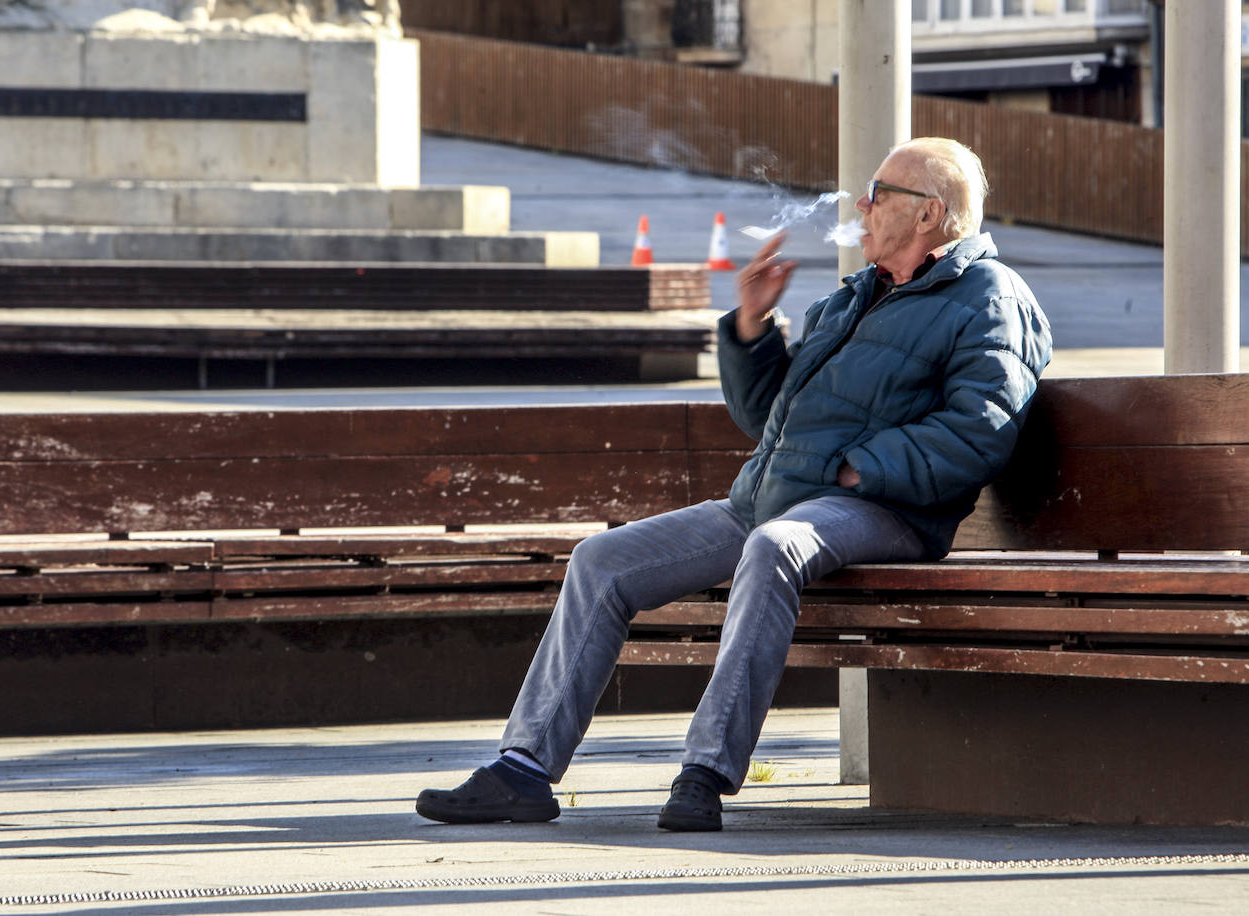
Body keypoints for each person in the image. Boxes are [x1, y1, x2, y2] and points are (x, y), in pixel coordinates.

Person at [416, 137, 1052, 831]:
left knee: (774, 547)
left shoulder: (990, 298)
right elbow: (765, 419)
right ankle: (522, 770)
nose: (862, 207)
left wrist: (856, 467)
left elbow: (978, 433)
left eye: (880, 193)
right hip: (774, 500)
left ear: (928, 215)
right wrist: (752, 328)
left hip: (886, 512)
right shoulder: (856, 297)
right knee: (601, 561)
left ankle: (705, 773)